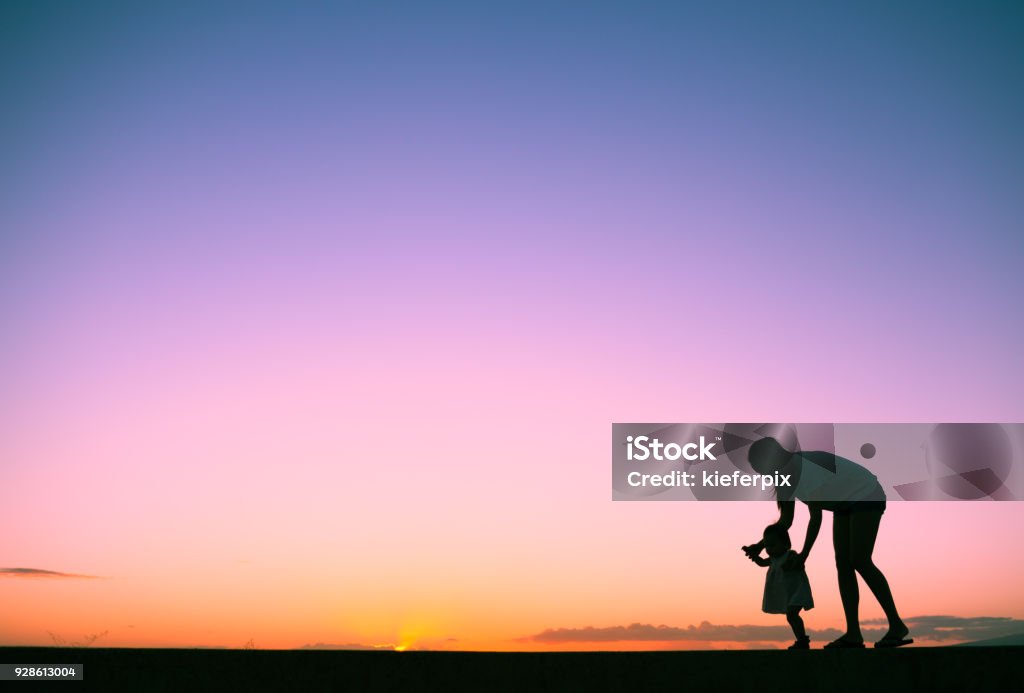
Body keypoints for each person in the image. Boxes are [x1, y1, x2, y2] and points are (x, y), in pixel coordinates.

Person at [742, 436, 913, 649]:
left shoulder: (805, 468)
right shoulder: (785, 478)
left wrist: (803, 555)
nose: (763, 475)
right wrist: (760, 545)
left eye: (761, 469)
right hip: (843, 504)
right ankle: (853, 634)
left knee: (859, 560)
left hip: (867, 494)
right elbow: (786, 521)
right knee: (843, 564)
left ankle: (897, 626)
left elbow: (816, 517)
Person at [746, 524, 814, 649]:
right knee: (791, 616)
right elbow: (761, 563)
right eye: (767, 546)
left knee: (792, 614)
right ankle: (801, 639)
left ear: (786, 543)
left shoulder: (790, 555)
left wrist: (793, 563)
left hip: (797, 591)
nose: (769, 549)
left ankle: (803, 640)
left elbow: (800, 563)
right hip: (788, 593)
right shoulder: (773, 559)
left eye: (772, 545)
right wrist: (754, 556)